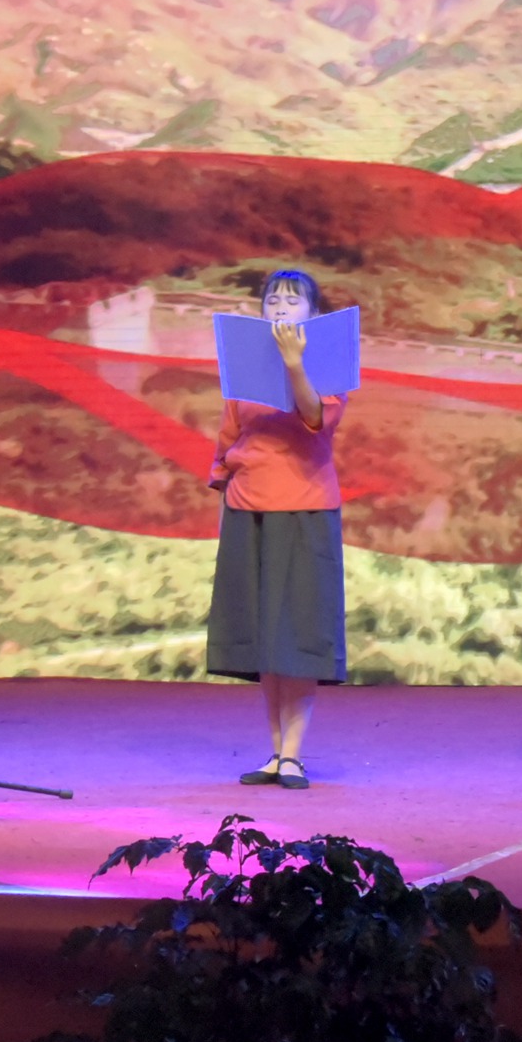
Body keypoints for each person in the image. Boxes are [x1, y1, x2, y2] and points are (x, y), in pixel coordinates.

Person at [206, 268, 348, 789]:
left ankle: (294, 754)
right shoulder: (245, 360)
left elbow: (315, 419)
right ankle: (273, 753)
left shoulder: (329, 359)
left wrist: (293, 363)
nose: (281, 307)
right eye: (273, 299)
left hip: (303, 507)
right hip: (249, 506)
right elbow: (230, 430)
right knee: (264, 638)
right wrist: (222, 474)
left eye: (293, 300)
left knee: (297, 635)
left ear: (313, 312)